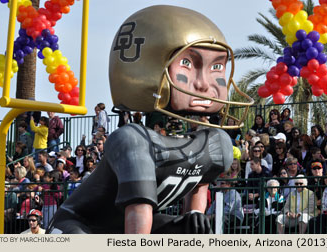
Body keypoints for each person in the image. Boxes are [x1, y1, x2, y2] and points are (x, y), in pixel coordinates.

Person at [47, 5, 252, 234]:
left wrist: (194, 214)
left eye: (216, 66)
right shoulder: (133, 140)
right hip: (81, 224)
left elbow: (199, 181)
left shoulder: (216, 142)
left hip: (124, 222)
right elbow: (138, 214)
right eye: (187, 63)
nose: (205, 84)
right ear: (148, 66)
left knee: (189, 227)